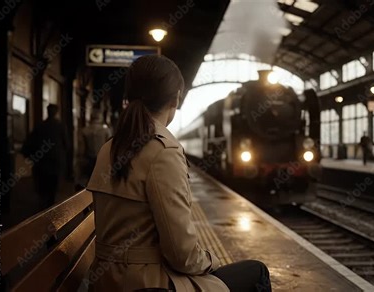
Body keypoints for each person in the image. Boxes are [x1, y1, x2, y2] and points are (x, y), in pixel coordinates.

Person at [86, 55, 271, 292]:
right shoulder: (164, 151)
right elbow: (181, 254)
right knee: (257, 272)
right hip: (148, 284)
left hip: (107, 280)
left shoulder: (109, 147)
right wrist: (212, 261)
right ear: (175, 98)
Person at [22, 104, 68, 209]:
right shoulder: (60, 126)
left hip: (41, 161)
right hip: (55, 161)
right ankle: (50, 206)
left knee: (42, 186)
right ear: (56, 112)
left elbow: (30, 142)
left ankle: (43, 206)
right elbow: (66, 145)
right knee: (53, 186)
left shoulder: (40, 126)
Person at [80, 109, 112, 182]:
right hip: (102, 157)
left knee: (89, 178)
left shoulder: (85, 130)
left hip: (88, 157)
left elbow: (82, 147)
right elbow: (110, 144)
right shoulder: (105, 130)